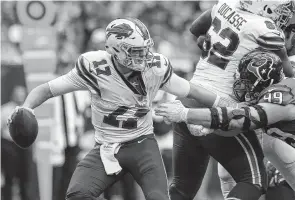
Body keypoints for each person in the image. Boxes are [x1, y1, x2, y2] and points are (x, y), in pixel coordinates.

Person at [7, 18, 235, 200]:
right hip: (106, 146)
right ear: (114, 50)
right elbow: (47, 89)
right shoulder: (94, 67)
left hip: (142, 144)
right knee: (78, 194)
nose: (143, 56)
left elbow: (191, 90)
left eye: (145, 49)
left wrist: (221, 103)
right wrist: (27, 107)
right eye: (135, 51)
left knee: (158, 197)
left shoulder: (155, 67)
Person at [176, 0, 295, 199]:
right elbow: (291, 75)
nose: (283, 14)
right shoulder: (265, 29)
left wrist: (215, 51)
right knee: (256, 173)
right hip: (229, 101)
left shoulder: (227, 4)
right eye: (280, 9)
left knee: (186, 187)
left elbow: (196, 32)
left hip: (198, 91)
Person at [155, 50, 295, 200]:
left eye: (248, 82)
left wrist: (185, 114)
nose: (242, 87)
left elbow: (240, 119)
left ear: (264, 82)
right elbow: (238, 114)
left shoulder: (282, 99)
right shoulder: (278, 90)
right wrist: (210, 127)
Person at [216, 12, 295, 200]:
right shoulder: (238, 28)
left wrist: (283, 54)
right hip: (248, 105)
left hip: (270, 108)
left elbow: (291, 75)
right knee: (230, 172)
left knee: (290, 172)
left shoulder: (291, 39)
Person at [1, 85, 40, 200]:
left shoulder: (30, 110)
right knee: (9, 177)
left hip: (25, 148)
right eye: (17, 93)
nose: (20, 96)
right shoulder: (4, 110)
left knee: (25, 178)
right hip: (8, 147)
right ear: (12, 94)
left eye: (22, 93)